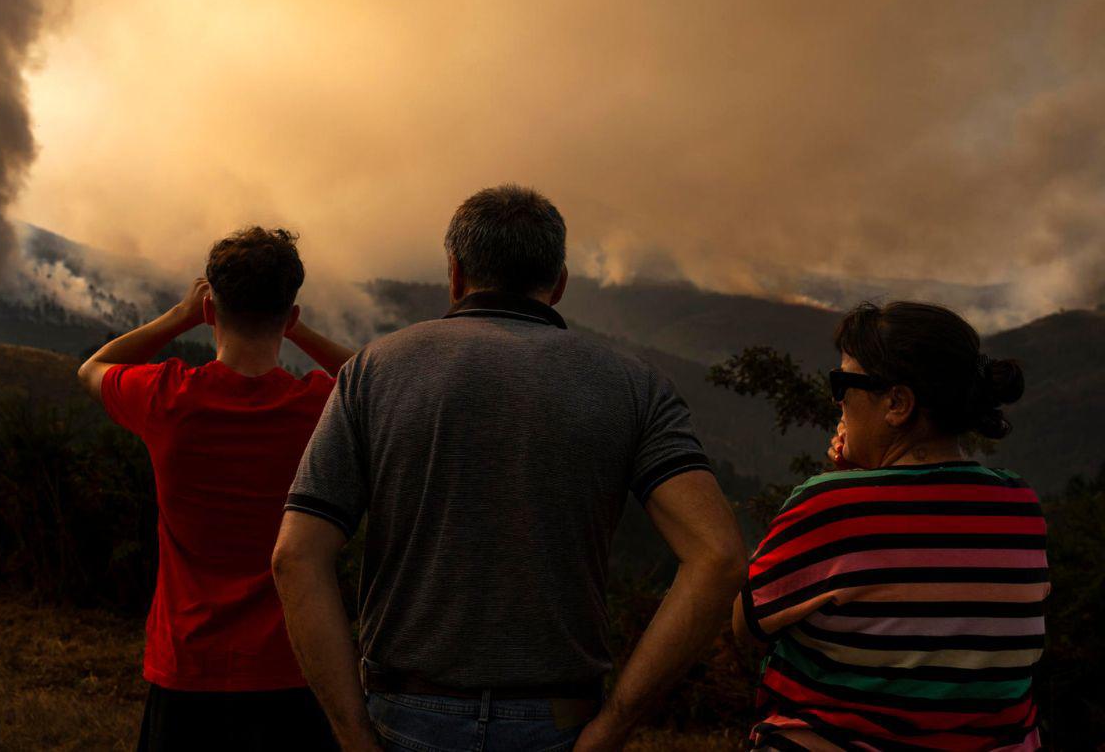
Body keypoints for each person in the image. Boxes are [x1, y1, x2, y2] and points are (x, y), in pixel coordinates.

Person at [272, 184, 747, 752]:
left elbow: (295, 557)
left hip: (405, 715)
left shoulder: (372, 373)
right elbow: (718, 556)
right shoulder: (636, 387)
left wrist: (353, 735)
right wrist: (617, 723)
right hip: (563, 721)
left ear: (455, 274)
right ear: (559, 283)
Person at [77, 226, 353, 752]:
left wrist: (180, 315)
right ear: (290, 315)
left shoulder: (166, 397)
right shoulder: (320, 406)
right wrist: (296, 330)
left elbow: (93, 369)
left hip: (188, 668)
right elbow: (378, 378)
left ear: (210, 310)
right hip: (292, 665)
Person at [733, 301, 1048, 751]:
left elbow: (746, 624)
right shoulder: (1020, 504)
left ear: (897, 403)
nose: (838, 399)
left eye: (843, 382)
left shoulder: (829, 507)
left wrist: (847, 486)